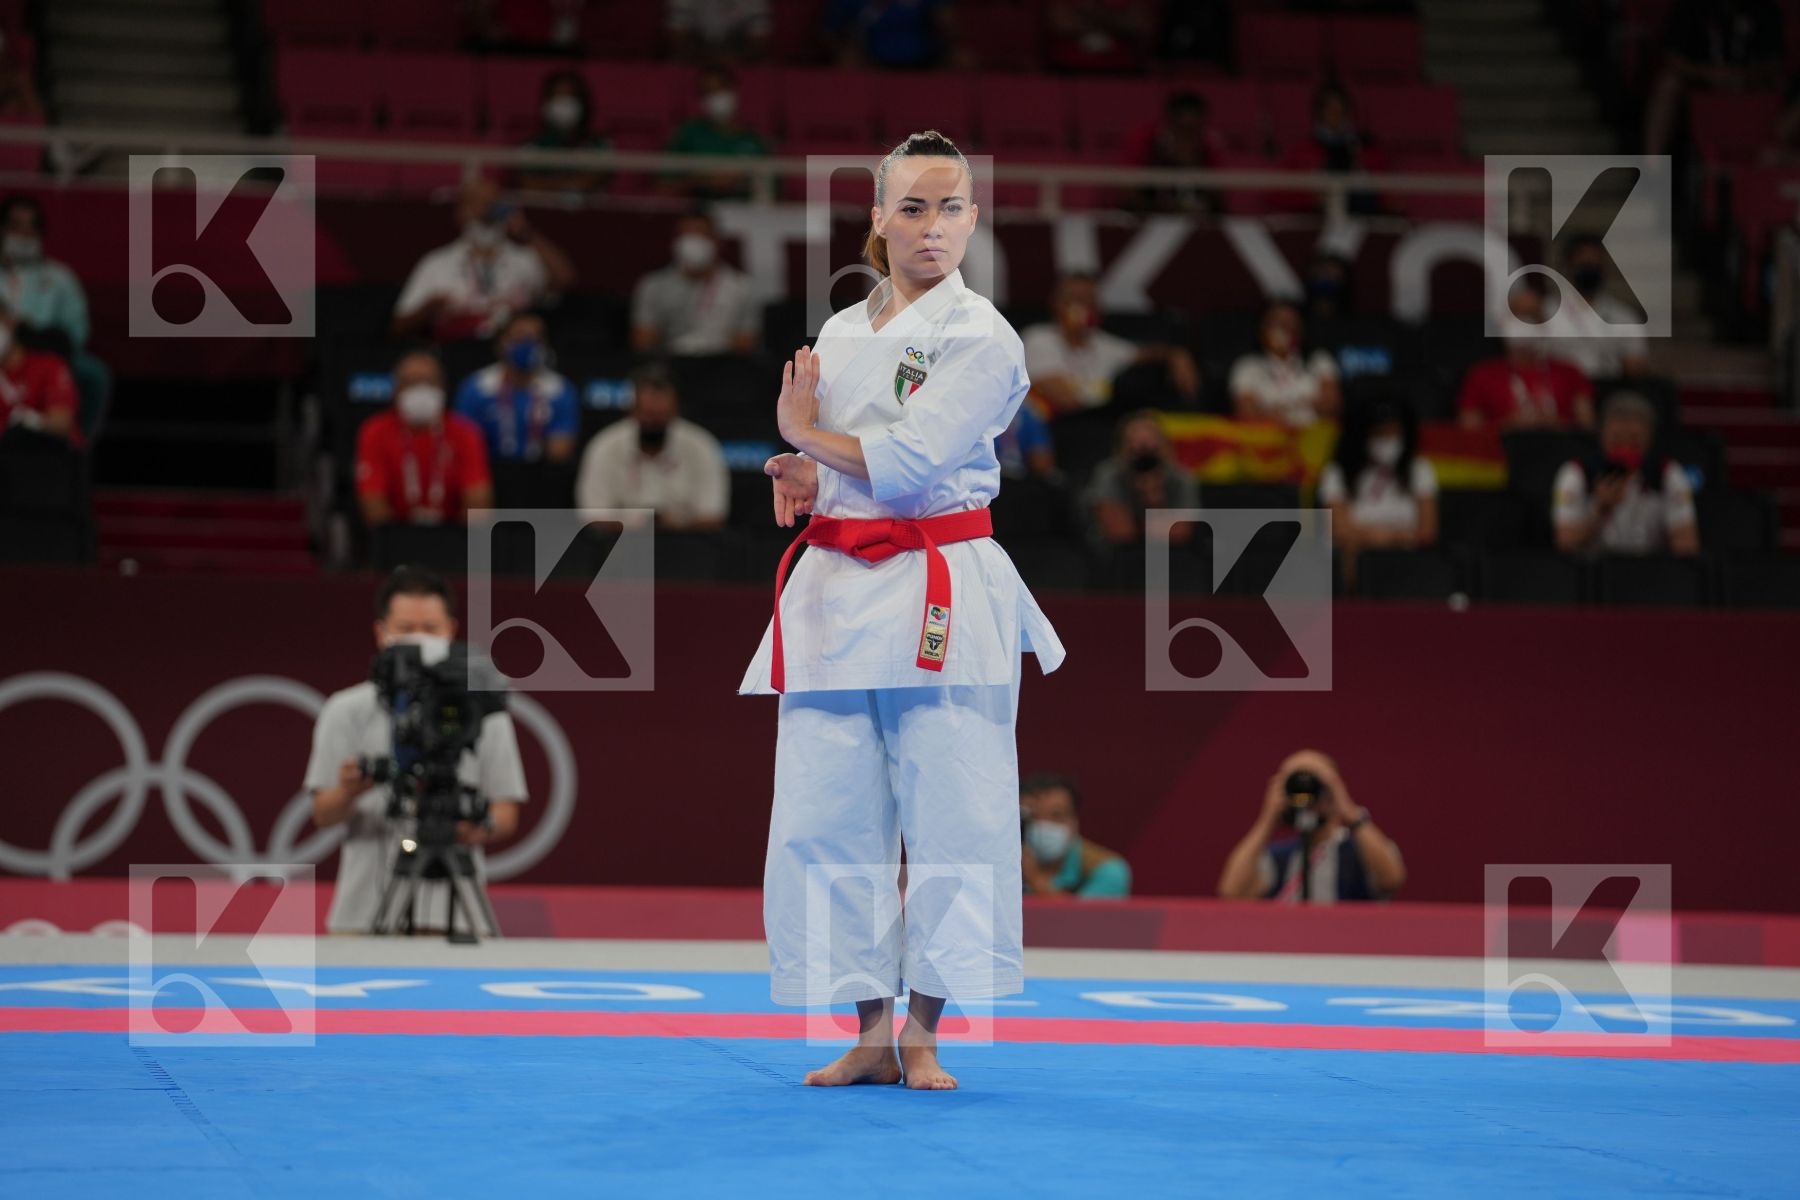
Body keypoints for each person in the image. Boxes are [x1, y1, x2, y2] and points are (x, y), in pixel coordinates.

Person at [741, 131, 1066, 1091]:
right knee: (827, 813)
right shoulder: (842, 332)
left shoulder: (986, 336)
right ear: (877, 218)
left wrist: (808, 434)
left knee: (954, 814)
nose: (935, 226)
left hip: (941, 585)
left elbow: (915, 462)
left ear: (974, 217)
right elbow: (853, 458)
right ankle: (872, 1029)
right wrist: (806, 470)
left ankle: (927, 1030)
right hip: (838, 590)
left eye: (954, 206)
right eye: (914, 207)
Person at [304, 566, 527, 935]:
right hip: (362, 913)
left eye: (431, 629)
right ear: (381, 633)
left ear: (451, 631)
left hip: (456, 917)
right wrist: (349, 791)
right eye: (406, 630)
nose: (419, 641)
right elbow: (323, 814)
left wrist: (476, 828)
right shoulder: (344, 710)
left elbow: (506, 810)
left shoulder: (484, 712)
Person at [391, 176, 576, 344]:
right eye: (476, 204)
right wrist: (430, 307)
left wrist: (526, 233)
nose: (485, 211)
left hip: (510, 357)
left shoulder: (522, 259)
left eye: (492, 206)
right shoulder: (437, 263)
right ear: (460, 213)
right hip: (455, 353)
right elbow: (398, 326)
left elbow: (564, 280)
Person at [1217, 749, 1405, 904]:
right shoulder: (1279, 857)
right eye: (1294, 782)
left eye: (1314, 782)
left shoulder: (1360, 851)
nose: (1305, 791)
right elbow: (1232, 893)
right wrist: (1267, 818)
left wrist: (1347, 809)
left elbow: (1392, 878)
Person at [0, 195, 110, 440]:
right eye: (17, 226)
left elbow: (77, 331)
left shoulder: (60, 278)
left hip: (49, 353)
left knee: (93, 374)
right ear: (3, 229)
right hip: (3, 354)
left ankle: (77, 447)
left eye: (32, 227)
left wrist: (35, 332)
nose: (25, 234)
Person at [574, 359, 729, 529]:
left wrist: (668, 526)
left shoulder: (701, 446)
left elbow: (712, 517)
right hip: (620, 546)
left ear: (675, 410)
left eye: (660, 415)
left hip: (686, 547)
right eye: (647, 414)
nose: (653, 423)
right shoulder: (605, 447)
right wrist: (645, 524)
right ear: (632, 409)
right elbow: (593, 518)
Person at [1023, 274, 1200, 413]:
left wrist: (1176, 355)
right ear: (1056, 304)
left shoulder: (1106, 344)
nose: (1084, 308)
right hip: (1061, 427)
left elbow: (1144, 354)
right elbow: (1066, 400)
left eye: (1090, 301)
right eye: (1076, 299)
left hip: (1103, 426)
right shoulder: (1038, 339)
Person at [357, 351, 494, 528]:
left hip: (453, 540)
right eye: (411, 383)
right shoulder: (375, 431)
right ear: (396, 390)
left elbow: (479, 506)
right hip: (394, 541)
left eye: (429, 382)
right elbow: (373, 507)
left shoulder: (466, 432)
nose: (421, 391)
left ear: (443, 388)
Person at [1553, 391, 1699, 557]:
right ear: (1602, 435)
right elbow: (1565, 543)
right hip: (1594, 573)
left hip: (1651, 572)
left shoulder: (1668, 474)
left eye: (1634, 440)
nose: (1625, 448)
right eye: (1617, 439)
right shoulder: (1576, 474)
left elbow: (1687, 546)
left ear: (1649, 438)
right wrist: (1600, 510)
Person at [1318, 393, 1438, 587]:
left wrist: (1380, 538)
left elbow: (1427, 532)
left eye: (1393, 434)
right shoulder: (1337, 473)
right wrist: (1395, 537)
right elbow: (1340, 531)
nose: (1387, 442)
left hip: (1406, 559)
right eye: (1380, 434)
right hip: (1357, 556)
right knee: (1349, 553)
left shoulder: (1420, 470)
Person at [1643, 0, 1785, 157]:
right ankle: (1653, 169)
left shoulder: (1765, 8)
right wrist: (1707, 74)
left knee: (1781, 85)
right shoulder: (1689, 6)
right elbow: (1672, 58)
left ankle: (1773, 163)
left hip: (1751, 84)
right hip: (1700, 83)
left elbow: (1775, 63)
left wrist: (1745, 76)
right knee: (1668, 83)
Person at [1457, 285, 1596, 432]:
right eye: (1517, 315)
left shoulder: (1570, 372)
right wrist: (1510, 426)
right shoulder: (1481, 375)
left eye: (1531, 316)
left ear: (1544, 324)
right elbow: (1469, 434)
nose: (1523, 323)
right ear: (1504, 323)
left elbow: (1588, 430)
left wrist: (1554, 424)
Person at [454, 313, 578, 465]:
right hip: (488, 472)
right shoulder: (476, 387)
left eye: (534, 340)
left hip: (542, 474)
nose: (527, 345)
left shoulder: (560, 390)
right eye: (519, 338)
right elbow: (465, 447)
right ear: (501, 343)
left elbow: (560, 452)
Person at [630, 209, 758, 356]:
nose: (693, 242)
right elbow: (642, 342)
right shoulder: (653, 286)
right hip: (671, 363)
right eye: (687, 235)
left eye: (701, 235)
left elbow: (746, 343)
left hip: (722, 366)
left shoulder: (741, 287)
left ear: (717, 241)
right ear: (676, 243)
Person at [1082, 409, 1197, 550]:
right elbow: (1121, 535)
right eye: (1134, 445)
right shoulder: (1109, 475)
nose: (1143, 454)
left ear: (1166, 447)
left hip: (1170, 558)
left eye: (1150, 445)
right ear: (1121, 449)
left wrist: (1154, 498)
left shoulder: (1181, 478)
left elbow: (1179, 535)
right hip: (1112, 557)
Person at [664, 66, 772, 201]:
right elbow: (664, 186)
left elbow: (772, 193)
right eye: (707, 93)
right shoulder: (687, 135)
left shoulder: (755, 141)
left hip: (745, 215)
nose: (714, 98)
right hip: (698, 212)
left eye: (720, 90)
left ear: (734, 90)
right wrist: (704, 181)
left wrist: (740, 181)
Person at [1229, 301, 1341, 427]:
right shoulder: (1247, 366)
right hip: (1270, 438)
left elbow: (1331, 408)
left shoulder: (1319, 360)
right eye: (1276, 322)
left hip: (1315, 436)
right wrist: (1302, 407)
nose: (1284, 328)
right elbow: (1247, 414)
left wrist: (1277, 410)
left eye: (1290, 323)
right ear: (1262, 329)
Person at [1019, 772, 1131, 899]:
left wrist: (1036, 880)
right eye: (1032, 816)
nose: (1043, 824)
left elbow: (1081, 918)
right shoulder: (1005, 864)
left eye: (1057, 815)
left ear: (1074, 821)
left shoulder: (1108, 870)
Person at [1553, 235, 1650, 380]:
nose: (1589, 269)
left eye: (1594, 264)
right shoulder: (1546, 312)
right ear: (1568, 266)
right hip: (1561, 390)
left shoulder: (1624, 316)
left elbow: (1636, 362)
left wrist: (1634, 366)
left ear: (1604, 268)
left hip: (1607, 388)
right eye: (1583, 264)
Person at [1126, 90, 1226, 214]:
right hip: (1152, 215)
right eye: (1182, 128)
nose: (1187, 135)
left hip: (1198, 216)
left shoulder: (1210, 145)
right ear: (1170, 122)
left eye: (1192, 129)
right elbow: (1129, 190)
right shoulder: (1148, 141)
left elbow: (1219, 194)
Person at [0, 298, 81, 447]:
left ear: (10, 322)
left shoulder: (49, 366)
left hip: (47, 457)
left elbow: (61, 423)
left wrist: (31, 421)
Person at [517, 70, 610, 196]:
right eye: (558, 96)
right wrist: (571, 186)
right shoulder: (532, 146)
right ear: (547, 103)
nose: (563, 103)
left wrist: (548, 186)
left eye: (570, 96)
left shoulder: (599, 144)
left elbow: (592, 181)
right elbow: (529, 183)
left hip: (590, 213)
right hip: (543, 212)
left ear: (582, 102)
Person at [824, 0, 964, 70]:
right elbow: (828, 33)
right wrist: (845, 48)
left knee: (962, 60)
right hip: (871, 60)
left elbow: (949, 28)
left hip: (926, 60)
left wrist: (945, 24)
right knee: (847, 62)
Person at [1045, 0, 1154, 75]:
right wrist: (1115, 19)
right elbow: (1061, 23)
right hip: (1067, 69)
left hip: (1124, 70)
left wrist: (1088, 16)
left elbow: (1141, 22)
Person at [668, 0, 771, 63]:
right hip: (695, 56)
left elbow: (760, 40)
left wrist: (732, 59)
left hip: (740, 58)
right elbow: (678, 36)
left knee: (765, 68)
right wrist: (706, 58)